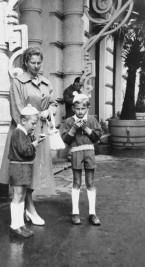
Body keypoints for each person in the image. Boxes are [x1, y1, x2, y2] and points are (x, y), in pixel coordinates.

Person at [0, 46, 57, 226]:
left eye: (39, 63)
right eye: (33, 63)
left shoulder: (47, 82)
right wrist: (29, 132)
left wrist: (49, 111)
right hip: (24, 131)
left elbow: (54, 103)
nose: (37, 66)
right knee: (25, 170)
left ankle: (27, 207)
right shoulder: (17, 82)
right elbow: (17, 112)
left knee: (34, 171)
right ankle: (29, 209)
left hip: (41, 131)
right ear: (25, 62)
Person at [62, 92, 102, 226]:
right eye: (77, 109)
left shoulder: (91, 120)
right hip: (76, 152)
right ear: (73, 108)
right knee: (77, 182)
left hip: (89, 152)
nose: (80, 111)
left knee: (90, 182)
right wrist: (74, 128)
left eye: (83, 109)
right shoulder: (69, 121)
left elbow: (97, 137)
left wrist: (86, 128)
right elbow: (66, 139)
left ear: (87, 108)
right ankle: (75, 213)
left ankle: (92, 213)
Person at [9, 104, 46, 238]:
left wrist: (34, 140)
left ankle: (21, 224)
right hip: (18, 167)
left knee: (22, 194)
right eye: (33, 123)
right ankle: (15, 225)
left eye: (36, 123)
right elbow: (24, 150)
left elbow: (28, 150)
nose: (34, 126)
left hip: (23, 166)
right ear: (23, 121)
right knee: (18, 195)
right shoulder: (18, 132)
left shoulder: (24, 133)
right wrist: (35, 144)